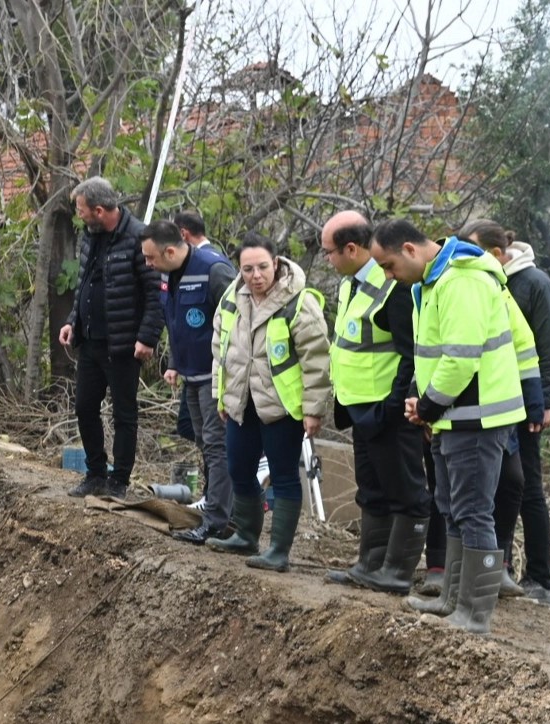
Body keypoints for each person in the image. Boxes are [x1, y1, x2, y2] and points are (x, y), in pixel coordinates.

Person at [371, 220, 531, 636]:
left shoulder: (461, 280)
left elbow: (461, 358)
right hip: (453, 414)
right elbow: (433, 354)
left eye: (388, 266)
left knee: (474, 511)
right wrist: (420, 398)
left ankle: (475, 613)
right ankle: (453, 600)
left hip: (477, 416)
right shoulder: (435, 280)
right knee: (453, 507)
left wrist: (426, 405)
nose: (389, 276)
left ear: (409, 249)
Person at [320, 211, 431, 594]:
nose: (327, 260)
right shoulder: (350, 284)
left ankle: (397, 572)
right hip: (359, 407)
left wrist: (393, 403)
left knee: (405, 490)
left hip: (388, 409)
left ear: (351, 248)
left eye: (329, 252)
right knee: (371, 488)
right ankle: (370, 564)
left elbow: (410, 354)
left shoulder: (395, 287)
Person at [206, 232, 331, 572]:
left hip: (283, 407)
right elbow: (221, 349)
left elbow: (316, 360)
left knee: (284, 474)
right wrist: (221, 394)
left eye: (262, 267)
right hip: (241, 401)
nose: (256, 276)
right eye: (248, 269)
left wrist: (313, 409)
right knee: (238, 468)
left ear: (276, 263)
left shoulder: (299, 302)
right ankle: (246, 534)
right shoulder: (232, 298)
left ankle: (278, 550)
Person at [460, 219, 550, 607]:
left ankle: (540, 578)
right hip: (492, 404)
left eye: (470, 247)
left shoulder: (534, 284)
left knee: (528, 489)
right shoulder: (486, 282)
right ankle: (496, 567)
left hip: (525, 405)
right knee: (497, 487)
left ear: (495, 253)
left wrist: (546, 401)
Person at [58, 176, 163, 498]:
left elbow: (156, 293)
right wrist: (73, 320)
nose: (79, 216)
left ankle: (119, 481)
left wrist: (147, 337)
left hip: (123, 345)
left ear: (99, 210)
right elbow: (85, 283)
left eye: (81, 210)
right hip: (89, 341)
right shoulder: (91, 236)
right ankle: (95, 473)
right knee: (85, 407)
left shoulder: (139, 238)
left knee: (124, 414)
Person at [140, 219, 237, 543]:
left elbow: (238, 322)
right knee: (202, 440)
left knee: (215, 444)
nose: (148, 264)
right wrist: (174, 363)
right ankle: (221, 507)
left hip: (216, 374)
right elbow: (177, 320)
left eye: (151, 258)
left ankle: (217, 519)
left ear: (170, 250)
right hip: (191, 373)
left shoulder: (213, 269)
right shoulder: (168, 273)